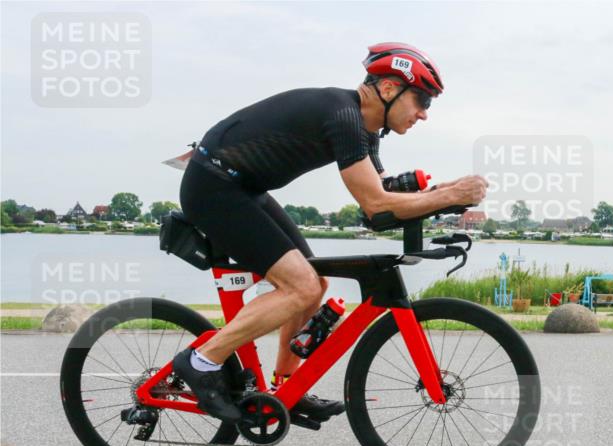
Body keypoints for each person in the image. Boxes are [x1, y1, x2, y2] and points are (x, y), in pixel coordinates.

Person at [173, 43, 487, 422]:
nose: (423, 114)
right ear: (388, 89)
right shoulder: (344, 116)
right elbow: (376, 204)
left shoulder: (366, 130)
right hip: (214, 186)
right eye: (422, 100)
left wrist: (441, 195)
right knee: (300, 286)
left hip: (243, 188)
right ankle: (202, 361)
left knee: (314, 283)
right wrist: (449, 195)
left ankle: (287, 386)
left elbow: (382, 207)